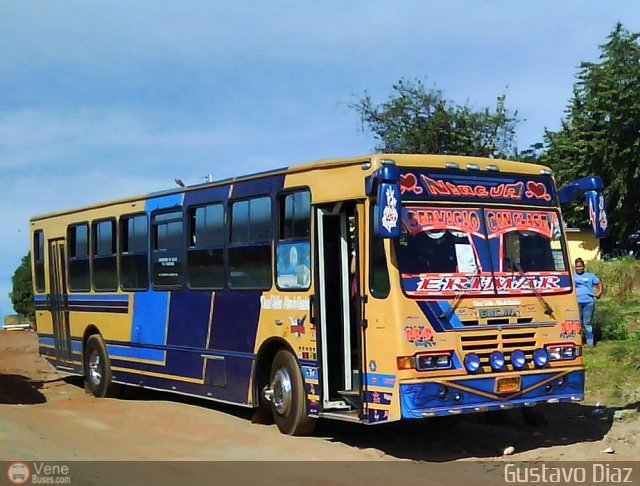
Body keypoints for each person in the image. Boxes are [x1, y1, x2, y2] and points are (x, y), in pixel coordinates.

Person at [573, 257, 603, 346]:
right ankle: (578, 343)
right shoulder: (572, 276)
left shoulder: (590, 276)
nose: (579, 268)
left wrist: (599, 292)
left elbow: (599, 282)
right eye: (577, 266)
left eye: (580, 266)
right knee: (577, 323)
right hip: (576, 302)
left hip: (588, 302)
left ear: (583, 266)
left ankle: (590, 343)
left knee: (587, 323)